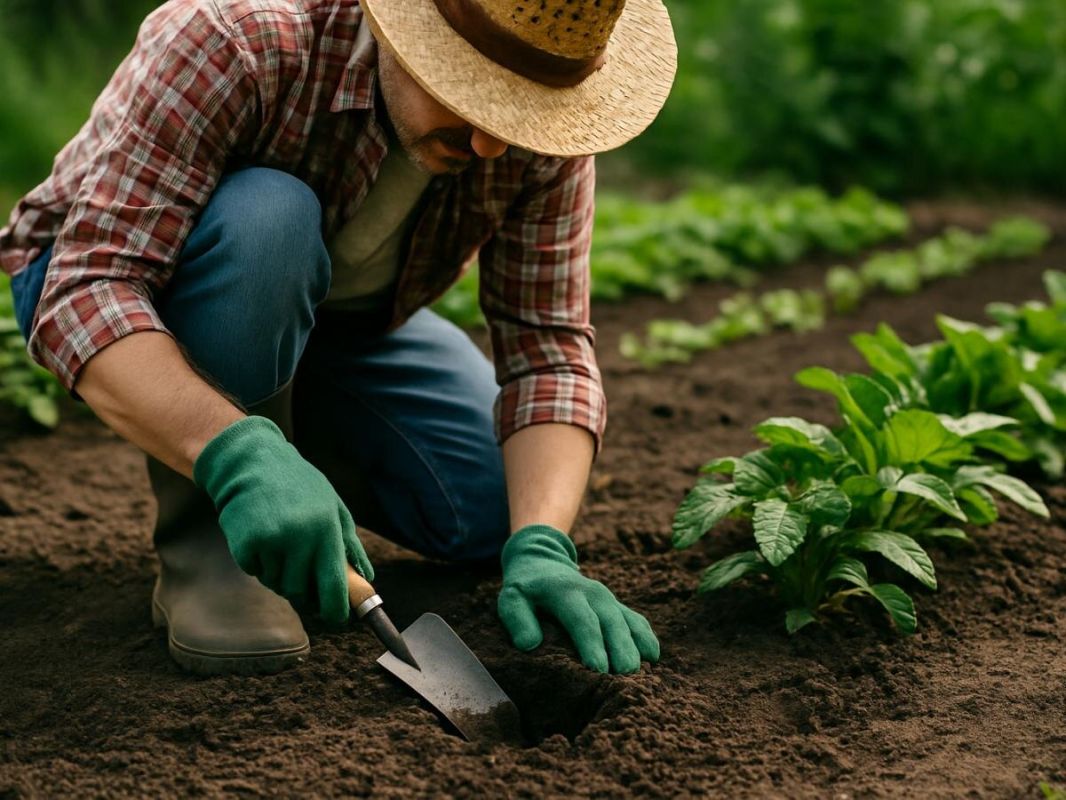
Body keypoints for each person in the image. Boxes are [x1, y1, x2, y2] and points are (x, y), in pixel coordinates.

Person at [0, 0, 676, 676]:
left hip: (337, 324)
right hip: (116, 283)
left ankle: (279, 447)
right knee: (270, 219)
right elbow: (86, 289)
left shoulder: (540, 137)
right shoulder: (239, 41)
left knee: (491, 505)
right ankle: (211, 538)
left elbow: (548, 348)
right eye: (473, 91)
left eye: (517, 111)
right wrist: (237, 459)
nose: (492, 145)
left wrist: (543, 544)